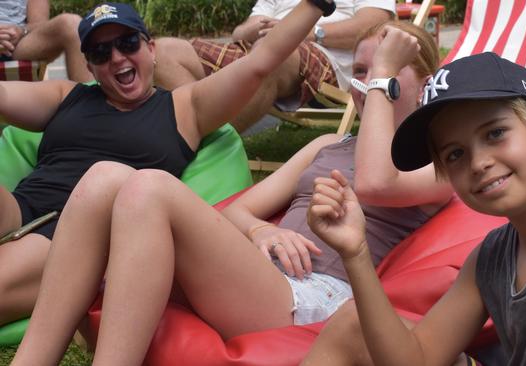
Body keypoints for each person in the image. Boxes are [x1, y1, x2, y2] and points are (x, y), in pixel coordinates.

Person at [9, 21, 454, 365]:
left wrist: (381, 77)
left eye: (382, 73)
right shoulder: (326, 146)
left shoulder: (439, 163)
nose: (362, 85)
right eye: (357, 71)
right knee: (104, 175)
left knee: (148, 187)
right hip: (262, 272)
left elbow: (377, 181)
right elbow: (240, 211)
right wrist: (261, 231)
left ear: (425, 82)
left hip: (317, 298)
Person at [0, 0, 332, 329]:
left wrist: (317, 4)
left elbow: (260, 63)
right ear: (90, 67)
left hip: (73, 234)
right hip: (19, 206)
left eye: (127, 43)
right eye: (101, 53)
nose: (117, 57)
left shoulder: (185, 108)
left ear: (152, 48)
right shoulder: (66, 95)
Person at [307, 52, 526, 366]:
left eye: (496, 133)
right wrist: (356, 252)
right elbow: (416, 360)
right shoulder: (489, 262)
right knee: (349, 325)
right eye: (455, 154)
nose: (479, 162)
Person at [153, 0, 395, 133]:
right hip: (255, 48)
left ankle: (193, 137)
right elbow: (242, 29)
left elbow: (374, 25)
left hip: (319, 56)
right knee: (164, 51)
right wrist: (253, 29)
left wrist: (306, 31)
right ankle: (205, 136)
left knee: (275, 54)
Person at [0, 0, 92, 82]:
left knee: (71, 23)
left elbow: (39, 24)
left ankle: (90, 100)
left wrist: (21, 31)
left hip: (17, 45)